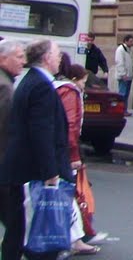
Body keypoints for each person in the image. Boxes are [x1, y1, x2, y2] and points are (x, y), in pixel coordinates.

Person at [0, 39, 73, 260]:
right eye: (58, 54)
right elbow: (42, 132)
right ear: (46, 58)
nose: (60, 58)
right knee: (34, 231)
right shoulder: (40, 86)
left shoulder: (29, 81)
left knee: (18, 229)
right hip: (32, 171)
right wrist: (51, 173)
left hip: (19, 168)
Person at [54, 63, 99, 254]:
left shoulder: (57, 88)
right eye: (83, 81)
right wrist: (74, 154)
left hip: (59, 149)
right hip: (65, 152)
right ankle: (75, 239)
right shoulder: (70, 92)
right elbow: (70, 124)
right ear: (75, 79)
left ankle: (75, 237)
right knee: (69, 194)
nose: (83, 85)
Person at [0, 40, 27, 260]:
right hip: (4, 166)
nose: (23, 61)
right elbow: (7, 129)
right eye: (18, 57)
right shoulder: (5, 87)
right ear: (3, 59)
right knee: (16, 223)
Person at [112, 36, 133, 102]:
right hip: (124, 76)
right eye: (130, 41)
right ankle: (121, 110)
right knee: (122, 94)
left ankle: (124, 110)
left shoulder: (129, 50)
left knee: (126, 94)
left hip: (129, 76)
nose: (132, 43)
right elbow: (119, 62)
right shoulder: (121, 50)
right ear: (126, 41)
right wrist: (123, 74)